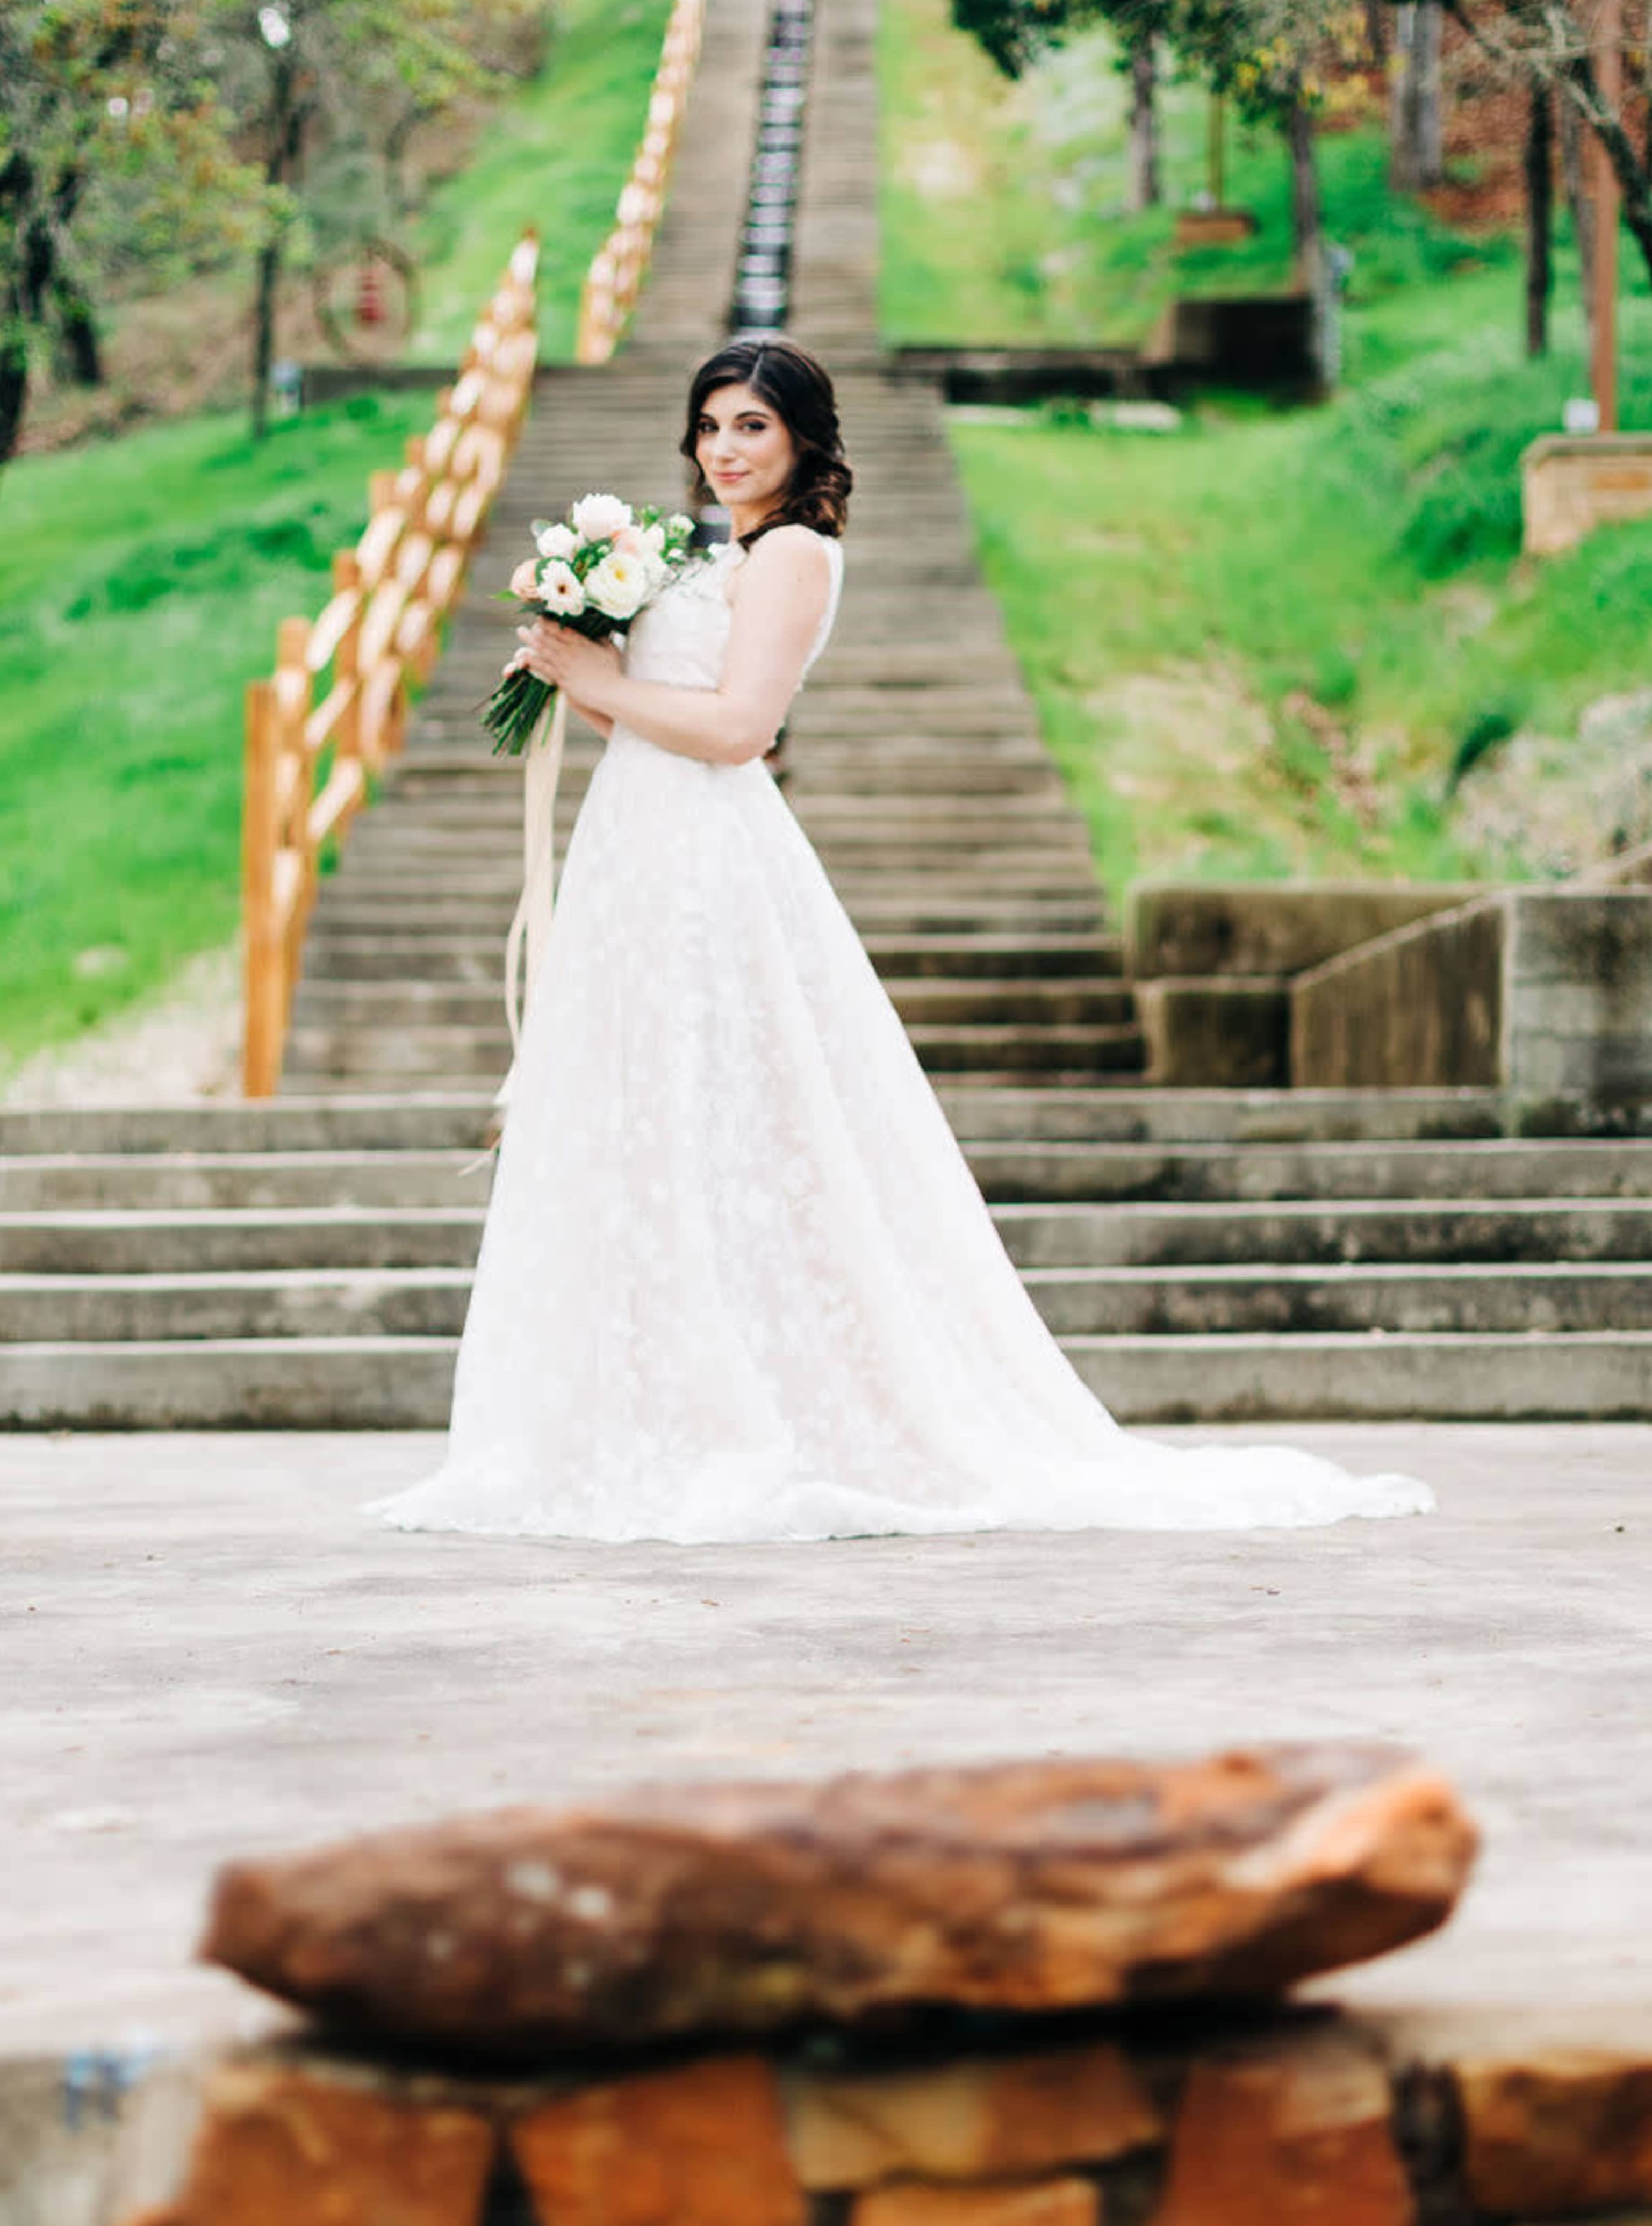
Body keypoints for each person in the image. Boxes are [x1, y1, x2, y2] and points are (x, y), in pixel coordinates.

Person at [371, 336, 1431, 1542]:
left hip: (707, 854)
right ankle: (619, 1412)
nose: (725, 448)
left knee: (712, 1109)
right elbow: (664, 708)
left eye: (753, 428)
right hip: (639, 848)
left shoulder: (795, 557)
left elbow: (737, 730)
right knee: (642, 1118)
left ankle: (746, 1412)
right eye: (711, 424)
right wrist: (584, 666)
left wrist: (598, 680)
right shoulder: (719, 554)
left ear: (805, 440)